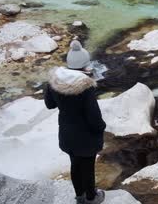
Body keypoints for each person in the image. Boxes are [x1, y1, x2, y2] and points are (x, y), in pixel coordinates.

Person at [44, 40, 106, 204]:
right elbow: (94, 118)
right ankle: (92, 198)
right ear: (85, 65)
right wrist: (101, 128)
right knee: (87, 168)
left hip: (66, 133)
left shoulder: (54, 80)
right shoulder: (85, 86)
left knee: (75, 165)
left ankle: (80, 197)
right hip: (86, 137)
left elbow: (50, 104)